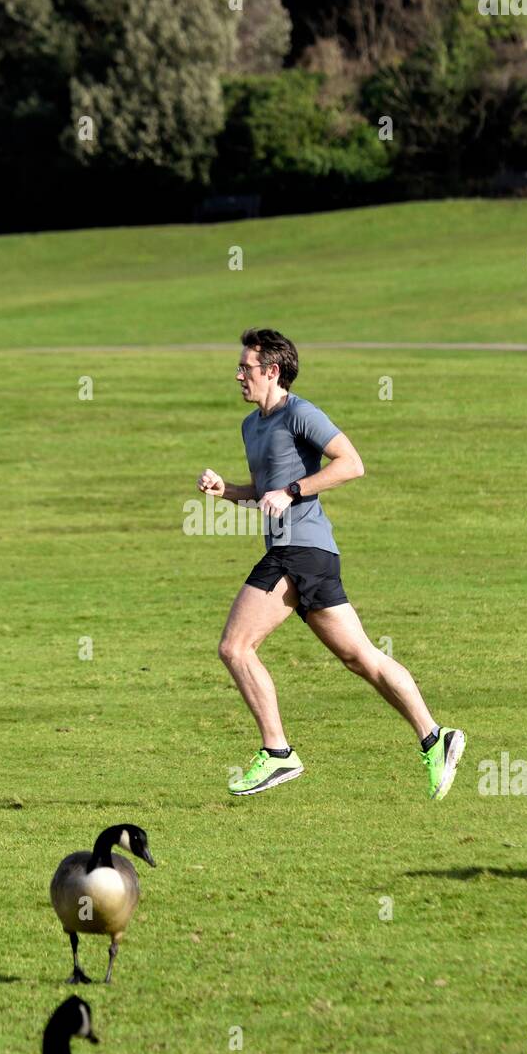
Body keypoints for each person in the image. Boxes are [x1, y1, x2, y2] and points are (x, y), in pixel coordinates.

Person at [197, 328, 465, 798]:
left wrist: (295, 490)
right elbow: (267, 492)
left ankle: (278, 754)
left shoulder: (301, 413)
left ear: (272, 371)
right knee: (360, 657)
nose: (238, 375)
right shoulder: (251, 425)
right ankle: (434, 737)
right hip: (305, 554)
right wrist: (228, 492)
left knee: (235, 647)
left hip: (299, 549)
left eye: (246, 367)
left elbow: (351, 463)